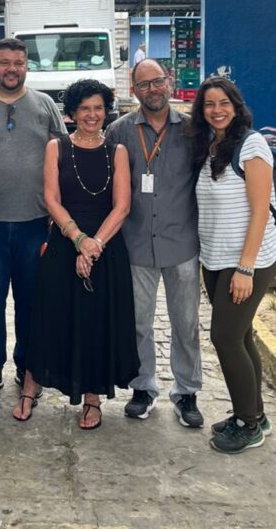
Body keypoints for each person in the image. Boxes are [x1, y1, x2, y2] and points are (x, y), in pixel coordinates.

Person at [25, 79, 137, 430]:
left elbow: (122, 207)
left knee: (95, 322)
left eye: (98, 108)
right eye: (84, 109)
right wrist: (78, 240)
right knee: (48, 316)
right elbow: (51, 199)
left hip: (106, 245)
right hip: (64, 242)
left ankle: (92, 397)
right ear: (72, 113)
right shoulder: (56, 147)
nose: (91, 115)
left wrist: (95, 245)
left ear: (106, 112)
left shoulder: (116, 151)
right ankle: (30, 388)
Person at [0, 37, 66, 402]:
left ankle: (27, 364)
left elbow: (63, 159)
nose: (12, 69)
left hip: (35, 222)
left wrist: (63, 216)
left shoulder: (45, 106)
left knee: (30, 299)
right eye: (5, 62)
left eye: (18, 63)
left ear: (27, 67)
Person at [106, 59, 203, 427]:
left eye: (158, 81)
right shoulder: (119, 132)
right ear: (134, 90)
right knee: (138, 323)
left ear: (170, 81)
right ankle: (142, 387)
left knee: (186, 322)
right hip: (136, 243)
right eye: (144, 84)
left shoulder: (195, 131)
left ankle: (187, 391)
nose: (153, 89)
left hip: (182, 242)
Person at [188, 76, 276, 455]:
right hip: (216, 259)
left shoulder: (251, 144)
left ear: (236, 106)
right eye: (209, 104)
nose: (217, 110)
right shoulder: (211, 145)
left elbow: (260, 211)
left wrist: (245, 268)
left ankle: (248, 424)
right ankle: (254, 412)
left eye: (224, 103)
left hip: (246, 262)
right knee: (238, 337)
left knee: (223, 337)